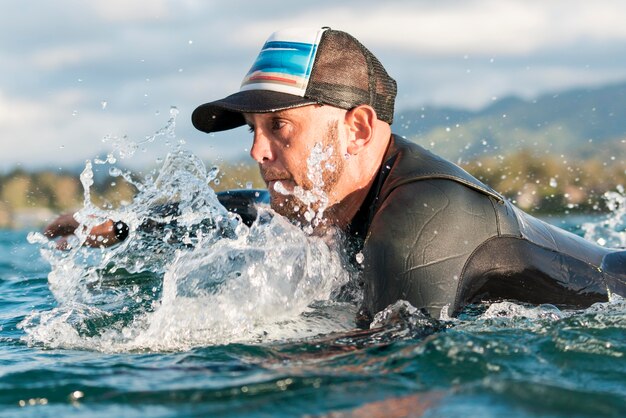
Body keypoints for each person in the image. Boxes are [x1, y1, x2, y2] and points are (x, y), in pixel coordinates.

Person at [46, 27, 626, 325]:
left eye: (280, 127)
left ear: (357, 127)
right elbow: (235, 210)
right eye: (252, 128)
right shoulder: (350, 197)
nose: (258, 150)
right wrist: (120, 225)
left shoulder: (423, 217)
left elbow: (396, 376)